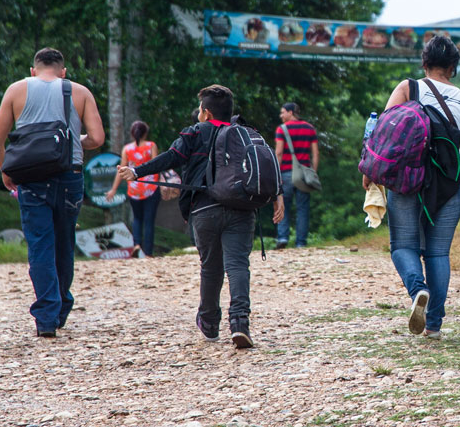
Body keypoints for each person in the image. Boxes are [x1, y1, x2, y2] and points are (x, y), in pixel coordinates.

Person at [117, 85, 284, 348]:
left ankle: (209, 323)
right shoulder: (244, 133)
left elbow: (171, 158)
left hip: (204, 209)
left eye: (199, 110)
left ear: (206, 113)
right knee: (238, 266)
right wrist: (277, 195)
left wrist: (137, 171)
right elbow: (263, 165)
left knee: (211, 267)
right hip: (241, 208)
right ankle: (240, 323)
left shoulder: (196, 132)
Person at [363, 35, 460, 340]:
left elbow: (384, 135)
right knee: (437, 253)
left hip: (407, 179)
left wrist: (371, 170)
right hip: (449, 183)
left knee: (403, 246)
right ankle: (434, 325)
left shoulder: (408, 88)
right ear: (453, 67)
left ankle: (418, 290)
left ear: (424, 62)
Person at [0, 47, 105, 337]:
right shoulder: (79, 92)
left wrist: (6, 170)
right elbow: (97, 138)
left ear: (33, 71)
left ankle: (46, 318)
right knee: (64, 243)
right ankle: (61, 309)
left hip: (31, 178)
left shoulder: (16, 90)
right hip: (69, 177)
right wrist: (72, 140)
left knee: (40, 246)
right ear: (63, 72)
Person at [106, 121, 161, 257]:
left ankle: (136, 244)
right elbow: (157, 165)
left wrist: (113, 189)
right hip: (150, 188)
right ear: (145, 133)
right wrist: (163, 182)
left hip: (134, 189)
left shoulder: (127, 149)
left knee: (137, 218)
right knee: (148, 220)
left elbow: (121, 170)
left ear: (132, 133)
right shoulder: (151, 146)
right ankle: (148, 252)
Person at [274, 102, 319, 249]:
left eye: (283, 112)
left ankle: (282, 237)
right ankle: (301, 242)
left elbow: (279, 153)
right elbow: (315, 154)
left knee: (282, 206)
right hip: (304, 175)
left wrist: (276, 173)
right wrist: (313, 173)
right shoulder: (309, 128)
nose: (281, 115)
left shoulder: (282, 129)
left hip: (285, 173)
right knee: (303, 209)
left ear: (291, 112)